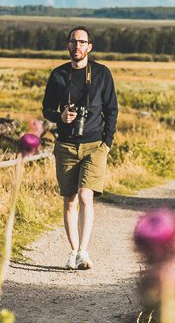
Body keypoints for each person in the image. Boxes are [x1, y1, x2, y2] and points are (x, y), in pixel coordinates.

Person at [42, 26, 118, 270]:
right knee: (70, 200)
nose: (78, 46)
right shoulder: (58, 76)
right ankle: (73, 251)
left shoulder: (102, 74)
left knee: (86, 195)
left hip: (94, 145)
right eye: (74, 42)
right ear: (68, 45)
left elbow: (112, 110)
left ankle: (84, 251)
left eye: (82, 42)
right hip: (66, 145)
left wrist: (107, 143)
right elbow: (46, 108)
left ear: (89, 47)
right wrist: (59, 116)